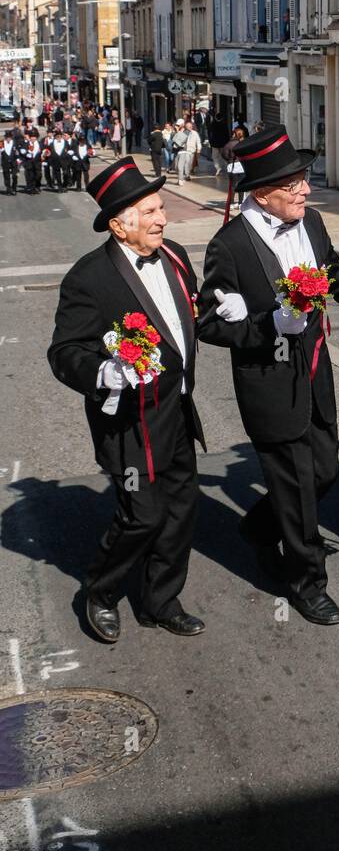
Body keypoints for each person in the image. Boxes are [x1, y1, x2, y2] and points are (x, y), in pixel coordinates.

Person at [198, 127, 339, 626]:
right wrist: (266, 324)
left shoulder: (312, 224)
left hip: (315, 373)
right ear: (263, 193)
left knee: (325, 471)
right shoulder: (230, 245)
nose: (306, 191)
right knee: (297, 488)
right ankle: (307, 581)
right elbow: (208, 323)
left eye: (304, 180)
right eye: (295, 185)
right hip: (268, 381)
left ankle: (263, 528)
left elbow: (333, 273)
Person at [48, 158, 206, 642]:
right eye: (151, 211)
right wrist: (105, 370)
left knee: (180, 510)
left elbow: (193, 315)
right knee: (142, 515)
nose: (163, 218)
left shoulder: (175, 255)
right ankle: (100, 590)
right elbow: (64, 352)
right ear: (120, 224)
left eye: (161, 208)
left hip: (175, 411)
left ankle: (161, 601)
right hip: (129, 423)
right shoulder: (89, 278)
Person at [222, 126, 247, 213]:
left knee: (233, 186)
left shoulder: (229, 144)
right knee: (241, 185)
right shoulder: (243, 143)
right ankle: (240, 203)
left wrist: (229, 160)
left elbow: (224, 154)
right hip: (242, 166)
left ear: (234, 134)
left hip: (232, 166)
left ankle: (232, 204)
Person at [175, 120, 201, 186]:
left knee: (189, 164)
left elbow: (198, 141)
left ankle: (187, 174)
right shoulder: (183, 132)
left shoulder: (195, 133)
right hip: (185, 150)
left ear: (192, 127)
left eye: (190, 126)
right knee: (185, 163)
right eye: (187, 126)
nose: (189, 128)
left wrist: (199, 148)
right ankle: (186, 175)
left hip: (191, 150)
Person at [1, 131, 20, 195]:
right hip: (5, 162)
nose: (8, 139)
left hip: (14, 162)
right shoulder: (1, 143)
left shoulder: (15, 143)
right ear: (5, 137)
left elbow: (17, 152)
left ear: (11, 137)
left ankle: (14, 188)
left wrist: (18, 159)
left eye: (9, 137)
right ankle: (8, 189)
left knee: (15, 176)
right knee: (6, 176)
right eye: (7, 137)